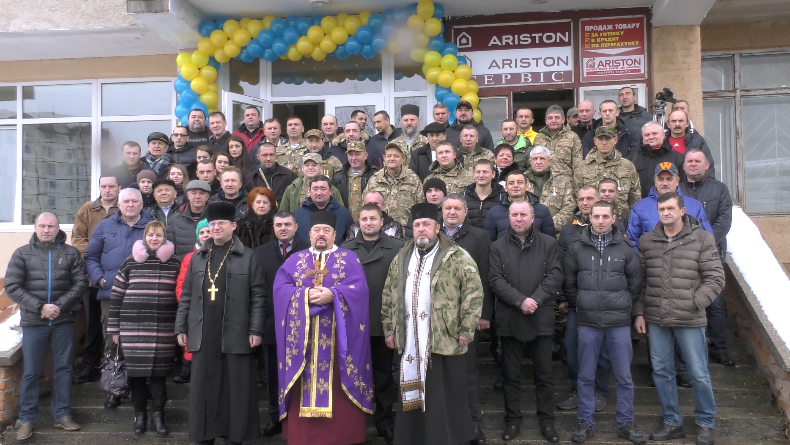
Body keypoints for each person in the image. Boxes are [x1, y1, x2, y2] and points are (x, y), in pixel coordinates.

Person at [382, 202, 483, 445]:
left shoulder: (457, 255)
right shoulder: (402, 257)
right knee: (411, 393)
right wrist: (389, 329)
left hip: (443, 337)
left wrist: (466, 329)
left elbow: (474, 293)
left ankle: (447, 439)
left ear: (437, 227)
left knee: (444, 395)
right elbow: (388, 293)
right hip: (409, 339)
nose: (421, 230)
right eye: (417, 225)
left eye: (426, 224)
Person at [273, 211, 373, 445]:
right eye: (316, 230)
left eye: (326, 231)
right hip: (303, 343)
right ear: (308, 234)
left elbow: (360, 291)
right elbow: (280, 290)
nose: (321, 234)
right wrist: (304, 295)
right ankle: (303, 437)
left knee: (339, 393)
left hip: (338, 340)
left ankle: (342, 436)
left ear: (334, 234)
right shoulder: (295, 260)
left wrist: (334, 295)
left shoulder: (349, 259)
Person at [634, 192, 724, 445]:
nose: (665, 213)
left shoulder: (702, 239)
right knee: (662, 371)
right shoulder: (647, 241)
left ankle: (706, 422)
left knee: (698, 373)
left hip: (690, 318)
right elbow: (641, 282)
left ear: (682, 211)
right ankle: (672, 421)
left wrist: (695, 303)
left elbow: (716, 278)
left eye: (671, 208)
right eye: (662, 209)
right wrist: (639, 312)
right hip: (656, 317)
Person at [175, 201, 265, 444]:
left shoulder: (247, 256)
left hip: (236, 332)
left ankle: (234, 436)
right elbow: (186, 296)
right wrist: (181, 326)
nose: (215, 228)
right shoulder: (198, 257)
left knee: (235, 390)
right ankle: (204, 436)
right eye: (211, 224)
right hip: (204, 333)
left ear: (233, 226)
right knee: (204, 390)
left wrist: (255, 329)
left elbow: (258, 296)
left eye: (220, 223)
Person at [563, 201, 645, 444]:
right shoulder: (577, 247)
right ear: (590, 218)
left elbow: (635, 283)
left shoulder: (626, 247)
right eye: (596, 216)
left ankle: (626, 423)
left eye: (604, 216)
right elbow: (569, 282)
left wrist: (623, 305)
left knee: (624, 377)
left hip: (618, 322)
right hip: (587, 321)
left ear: (613, 218)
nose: (599, 220)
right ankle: (585, 422)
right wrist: (582, 302)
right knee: (585, 375)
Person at [5, 212, 87, 441]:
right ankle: (27, 418)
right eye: (42, 226)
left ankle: (61, 414)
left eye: (51, 226)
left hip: (62, 320)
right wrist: (40, 307)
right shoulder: (22, 254)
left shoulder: (70, 253)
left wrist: (58, 306)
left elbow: (80, 283)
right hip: (34, 322)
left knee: (63, 369)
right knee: (31, 371)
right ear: (35, 228)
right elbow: (12, 285)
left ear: (58, 228)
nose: (46, 230)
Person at [488, 200, 563, 442]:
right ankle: (512, 420)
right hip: (510, 318)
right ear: (509, 217)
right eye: (514, 215)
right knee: (511, 375)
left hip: (541, 317)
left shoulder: (549, 244)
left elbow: (555, 275)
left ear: (533, 218)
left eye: (523, 214)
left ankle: (547, 422)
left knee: (544, 375)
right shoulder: (497, 247)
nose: (518, 219)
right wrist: (520, 301)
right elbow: (495, 280)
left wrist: (536, 299)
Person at [107, 220, 180, 438]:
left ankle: (158, 415)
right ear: (144, 237)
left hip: (163, 328)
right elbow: (117, 296)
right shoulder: (130, 262)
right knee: (137, 376)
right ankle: (140, 416)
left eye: (159, 235)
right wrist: (114, 330)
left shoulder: (174, 263)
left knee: (159, 376)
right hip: (133, 328)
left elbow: (181, 296)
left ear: (164, 237)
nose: (154, 239)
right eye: (150, 235)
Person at [84, 188, 155, 409]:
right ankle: (114, 387)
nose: (131, 205)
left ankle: (141, 388)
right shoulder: (105, 226)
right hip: (111, 292)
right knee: (112, 340)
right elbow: (90, 257)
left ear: (142, 204)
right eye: (126, 201)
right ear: (119, 204)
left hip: (143, 294)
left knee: (142, 341)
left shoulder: (152, 227)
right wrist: (100, 280)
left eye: (135, 201)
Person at [341, 204, 405, 444]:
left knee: (384, 375)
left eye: (373, 219)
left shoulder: (397, 248)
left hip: (382, 323)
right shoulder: (346, 250)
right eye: (364, 219)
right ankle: (356, 421)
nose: (368, 223)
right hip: (353, 326)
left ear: (382, 221)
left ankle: (384, 422)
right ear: (358, 222)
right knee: (354, 374)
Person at [556, 187, 615, 413]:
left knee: (602, 351)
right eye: (580, 198)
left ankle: (599, 391)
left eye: (589, 198)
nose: (584, 202)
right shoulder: (570, 230)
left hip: (606, 304)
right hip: (577, 302)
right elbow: (561, 266)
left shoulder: (614, 229)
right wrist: (564, 297)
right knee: (572, 348)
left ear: (598, 199)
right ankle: (577, 389)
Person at [440, 194, 492, 445]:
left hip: (466, 317)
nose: (451, 212)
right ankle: (444, 424)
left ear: (465, 212)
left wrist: (483, 315)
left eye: (456, 208)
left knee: (468, 373)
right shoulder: (431, 236)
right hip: (436, 320)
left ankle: (473, 425)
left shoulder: (479, 237)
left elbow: (485, 277)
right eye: (447, 208)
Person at [253, 211, 310, 438]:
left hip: (302, 325)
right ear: (273, 228)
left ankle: (297, 418)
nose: (283, 228)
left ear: (296, 227)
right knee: (273, 376)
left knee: (301, 373)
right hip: (270, 324)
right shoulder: (260, 253)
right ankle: (275, 416)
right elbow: (257, 290)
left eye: (287, 224)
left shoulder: (308, 251)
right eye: (279, 225)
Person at [680, 149, 734, 366]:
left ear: (707, 165)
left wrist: (703, 243)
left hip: (712, 254)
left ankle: (719, 348)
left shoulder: (719, 190)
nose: (693, 164)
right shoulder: (677, 189)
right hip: (682, 256)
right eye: (689, 161)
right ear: (684, 166)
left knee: (715, 303)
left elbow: (724, 221)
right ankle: (688, 352)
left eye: (697, 161)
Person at [71, 175, 120, 384]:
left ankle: (113, 368)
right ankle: (90, 367)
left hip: (116, 278)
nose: (107, 190)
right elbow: (77, 239)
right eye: (103, 186)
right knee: (92, 325)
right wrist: (98, 254)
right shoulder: (87, 209)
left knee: (113, 324)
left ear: (119, 188)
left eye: (111, 186)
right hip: (92, 276)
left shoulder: (124, 208)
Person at [627, 162, 712, 249]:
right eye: (660, 179)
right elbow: (632, 241)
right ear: (655, 181)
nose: (665, 183)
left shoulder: (695, 205)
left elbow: (707, 240)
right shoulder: (640, 207)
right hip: (652, 260)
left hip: (687, 260)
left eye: (669, 179)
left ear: (677, 181)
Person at [575, 126, 642, 222]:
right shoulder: (583, 167)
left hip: (622, 220)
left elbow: (635, 196)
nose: (604, 142)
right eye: (601, 139)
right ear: (595, 141)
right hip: (593, 221)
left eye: (608, 139)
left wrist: (632, 220)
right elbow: (577, 194)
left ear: (615, 140)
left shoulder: (627, 166)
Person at [173, 219, 211, 385]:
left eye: (208, 232)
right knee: (190, 338)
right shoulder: (189, 257)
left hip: (212, 306)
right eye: (202, 233)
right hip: (194, 307)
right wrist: (187, 304)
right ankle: (187, 368)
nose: (205, 235)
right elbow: (181, 284)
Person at [484, 170, 557, 240]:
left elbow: (550, 243)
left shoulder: (542, 211)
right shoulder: (493, 212)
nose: (515, 186)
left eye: (520, 182)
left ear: (527, 187)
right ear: (505, 188)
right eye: (511, 183)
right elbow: (489, 244)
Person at [365, 143, 423, 226]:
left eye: (396, 156)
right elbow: (365, 206)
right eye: (389, 156)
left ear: (403, 159)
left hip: (405, 232)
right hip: (380, 231)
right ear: (384, 158)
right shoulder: (374, 179)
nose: (392, 159)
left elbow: (420, 207)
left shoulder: (413, 180)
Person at [525, 146, 575, 233]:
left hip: (555, 233)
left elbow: (570, 207)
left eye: (542, 158)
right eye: (535, 159)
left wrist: (548, 225)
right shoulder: (522, 180)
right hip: (526, 231)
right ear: (530, 161)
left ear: (550, 161)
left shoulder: (563, 180)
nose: (538, 162)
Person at [294, 176, 353, 244]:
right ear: (310, 191)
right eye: (315, 189)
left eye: (323, 189)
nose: (319, 193)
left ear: (330, 191)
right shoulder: (298, 214)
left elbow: (351, 241)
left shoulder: (343, 214)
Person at [279, 153, 345, 213]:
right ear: (302, 168)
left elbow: (341, 213)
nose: (310, 168)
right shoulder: (292, 189)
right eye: (307, 165)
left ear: (321, 168)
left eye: (314, 165)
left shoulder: (331, 189)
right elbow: (283, 213)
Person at [331, 140, 379, 221]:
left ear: (365, 155)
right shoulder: (338, 178)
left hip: (369, 223)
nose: (354, 158)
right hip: (345, 223)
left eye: (357, 154)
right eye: (351, 154)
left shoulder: (376, 175)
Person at [533, 104, 583, 179]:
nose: (553, 121)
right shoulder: (539, 137)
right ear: (546, 121)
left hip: (566, 184)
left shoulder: (572, 137)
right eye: (550, 118)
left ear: (563, 120)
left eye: (557, 117)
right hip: (544, 182)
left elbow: (577, 165)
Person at [665, 110, 716, 178]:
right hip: (667, 184)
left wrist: (708, 186)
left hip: (691, 185)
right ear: (668, 124)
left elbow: (708, 166)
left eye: (681, 121)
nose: (677, 124)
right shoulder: (661, 142)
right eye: (673, 121)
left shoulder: (697, 141)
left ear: (687, 124)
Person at [462, 159, 505, 229]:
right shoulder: (463, 196)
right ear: (474, 174)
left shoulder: (502, 197)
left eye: (485, 172)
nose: (481, 175)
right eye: (478, 172)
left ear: (493, 174)